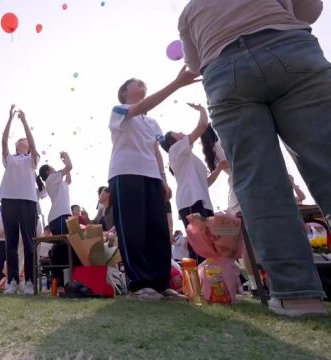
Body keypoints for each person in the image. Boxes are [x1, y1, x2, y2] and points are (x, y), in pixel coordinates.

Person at [179, 0, 328, 316]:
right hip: (288, 46)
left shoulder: (189, 11)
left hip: (223, 70)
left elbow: (194, 63)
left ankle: (297, 295)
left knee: (260, 184)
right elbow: (311, 9)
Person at [108, 67, 199, 301]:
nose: (142, 83)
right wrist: (177, 83)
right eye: (136, 81)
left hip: (151, 177)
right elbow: (142, 107)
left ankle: (161, 283)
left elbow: (156, 149)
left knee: (158, 230)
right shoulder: (120, 110)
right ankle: (138, 284)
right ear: (125, 91)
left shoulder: (152, 122)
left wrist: (163, 178)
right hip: (125, 173)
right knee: (133, 229)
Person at [160, 103, 227, 261]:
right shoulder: (175, 150)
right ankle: (201, 283)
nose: (181, 132)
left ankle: (212, 282)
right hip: (191, 200)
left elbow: (206, 183)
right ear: (172, 140)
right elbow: (202, 125)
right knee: (200, 247)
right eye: (177, 132)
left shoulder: (190, 157)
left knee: (210, 245)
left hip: (203, 202)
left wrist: (219, 168)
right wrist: (202, 109)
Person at [0, 104, 40, 295]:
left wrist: (24, 121)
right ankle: (13, 281)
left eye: (23, 140)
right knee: (11, 243)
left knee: (29, 242)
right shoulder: (10, 159)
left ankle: (30, 281)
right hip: (8, 200)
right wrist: (8, 119)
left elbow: (32, 142)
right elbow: (3, 140)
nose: (20, 141)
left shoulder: (32, 159)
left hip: (28, 201)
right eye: (19, 140)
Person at [38, 151, 80, 286]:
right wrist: (67, 158)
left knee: (65, 247)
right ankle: (61, 281)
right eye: (52, 168)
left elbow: (69, 180)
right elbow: (70, 167)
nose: (55, 169)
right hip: (59, 216)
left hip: (62, 216)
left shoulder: (58, 182)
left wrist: (65, 165)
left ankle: (61, 280)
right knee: (64, 247)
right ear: (48, 171)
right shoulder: (51, 179)